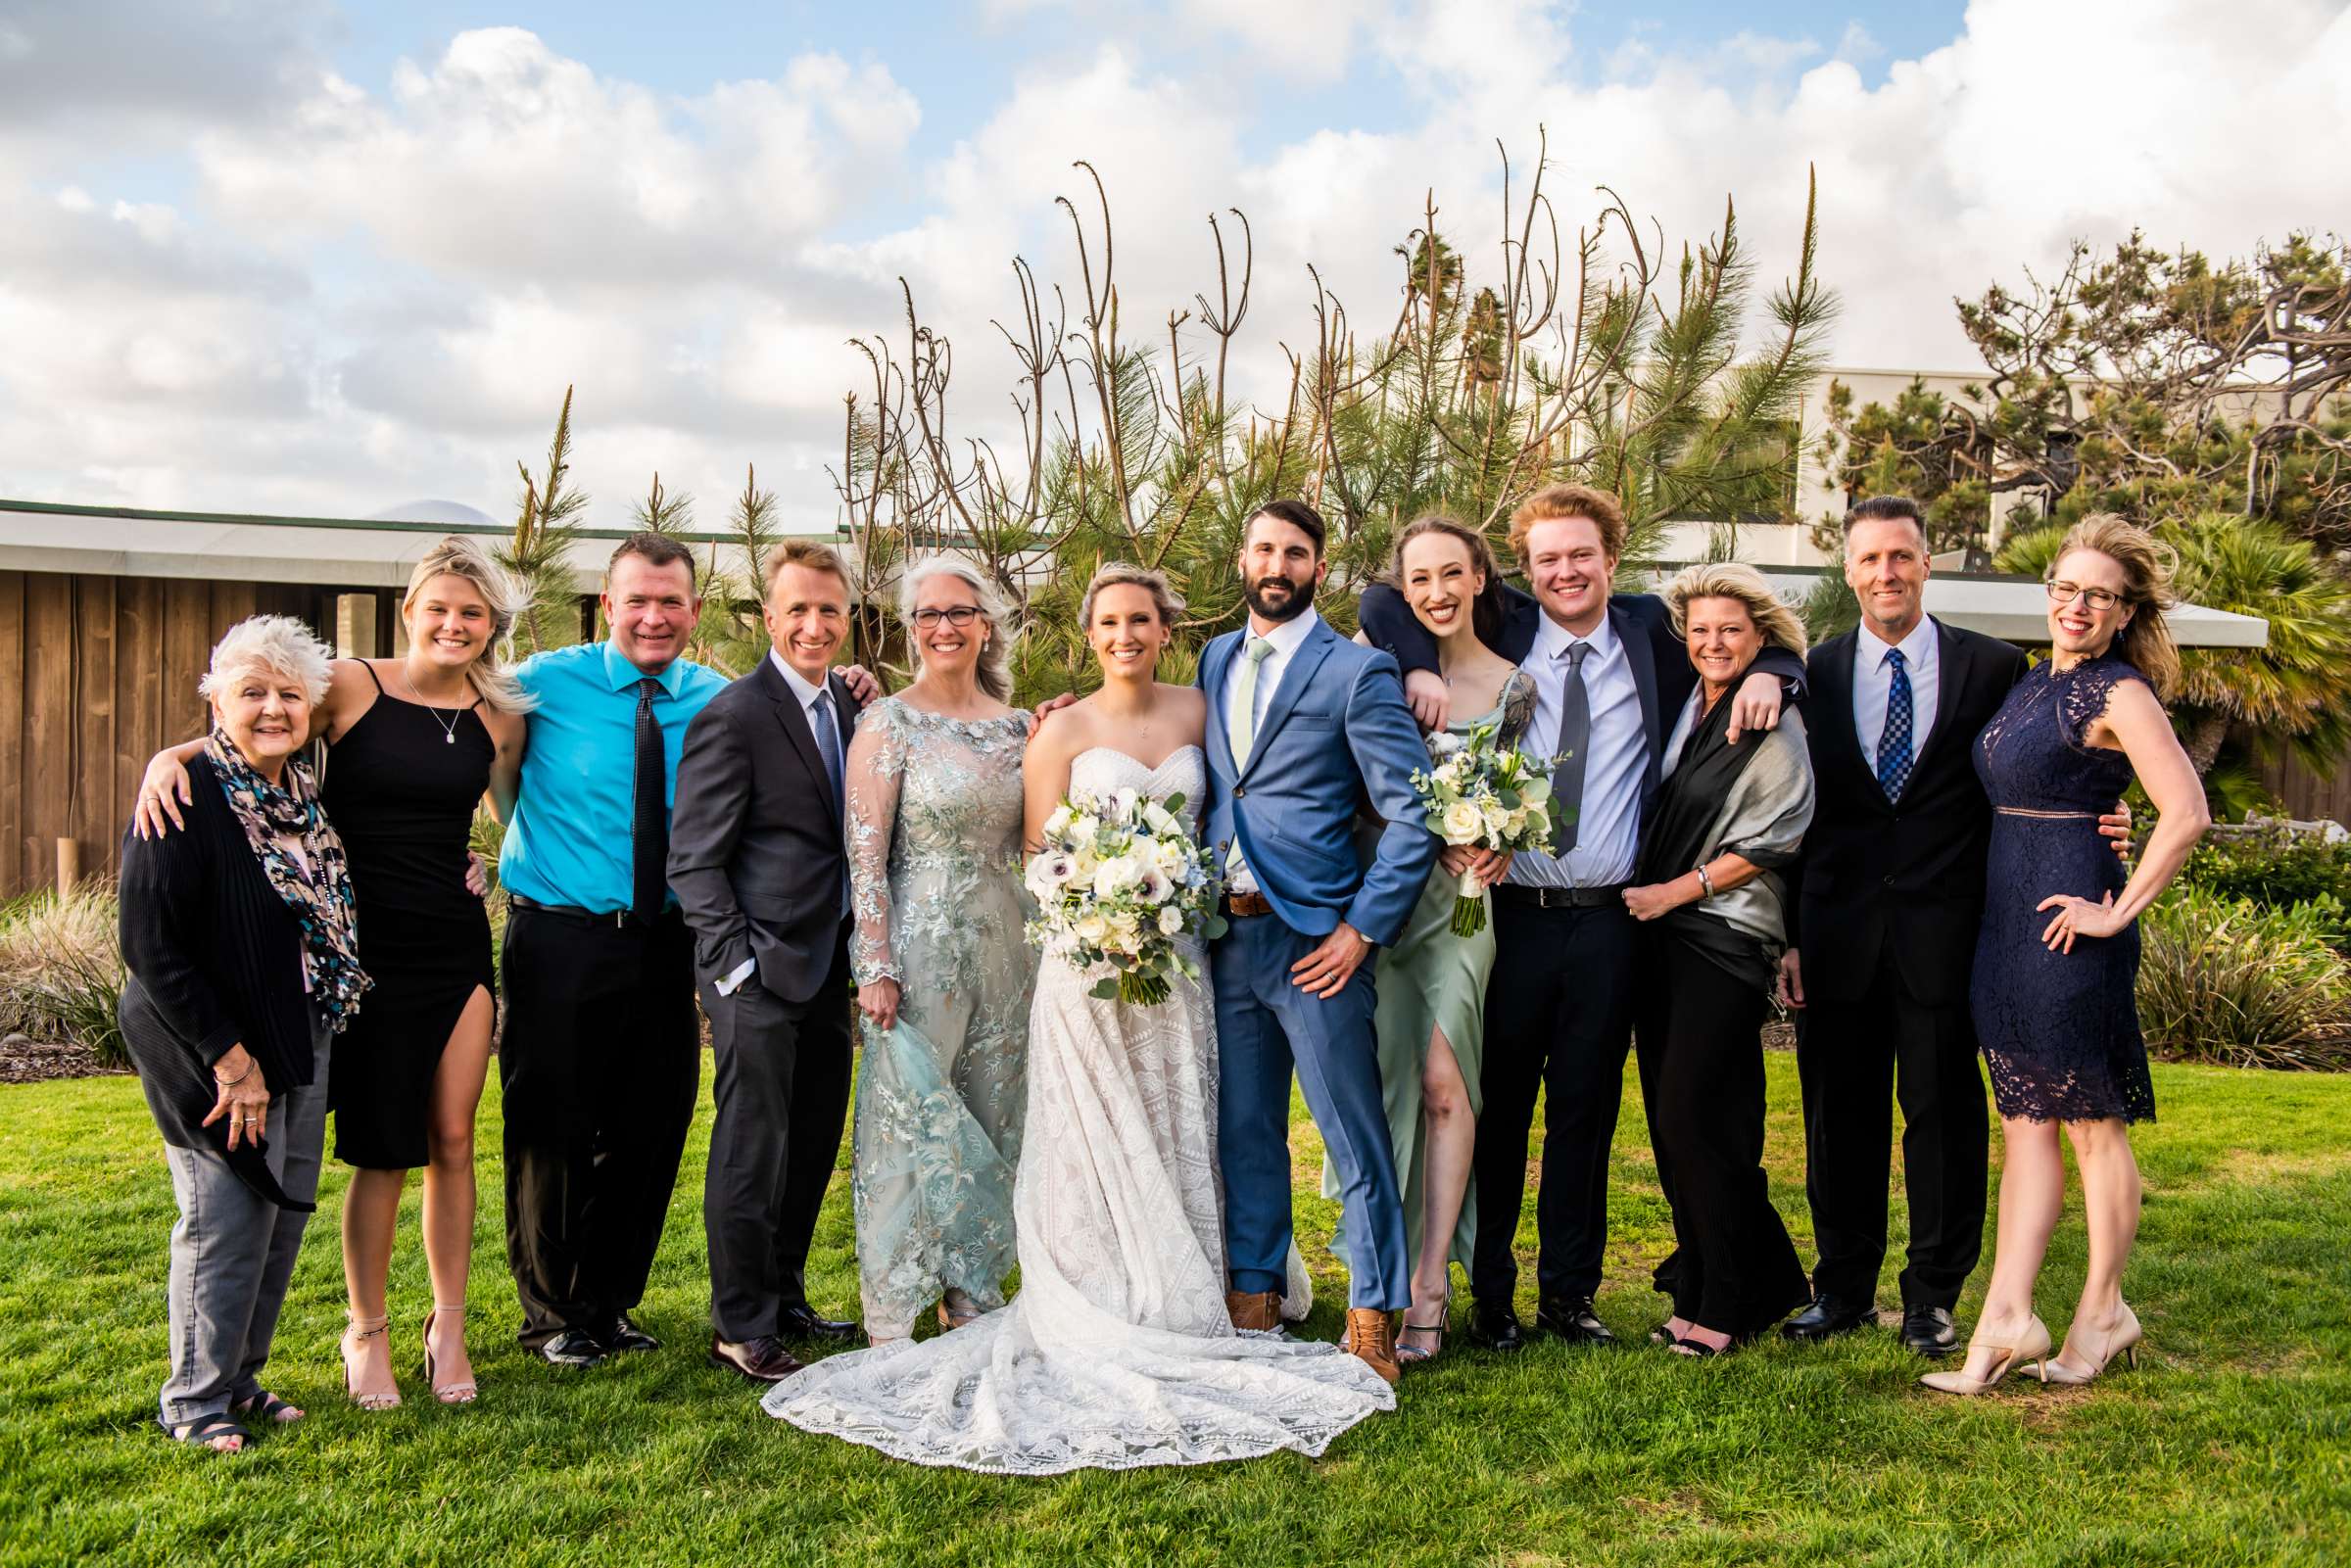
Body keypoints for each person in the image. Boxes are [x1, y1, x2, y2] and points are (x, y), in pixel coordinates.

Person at [765, 562, 1394, 1469]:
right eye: (1109, 621)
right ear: (1089, 632)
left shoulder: (1190, 711)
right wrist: (1099, 915)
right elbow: (1033, 848)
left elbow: (1265, 774)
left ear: (1165, 629)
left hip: (1174, 961)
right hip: (1077, 953)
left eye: (1141, 619)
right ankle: (967, 1301)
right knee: (1046, 1129)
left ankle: (1182, 1283)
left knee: (1180, 1118)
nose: (1125, 634)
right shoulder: (1039, 728)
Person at [1359, 483, 1805, 1352]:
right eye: (1548, 558)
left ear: (1611, 558)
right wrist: (1415, 660)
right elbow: (1385, 594)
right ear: (1519, 572)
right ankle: (1491, 1297)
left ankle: (1571, 1294)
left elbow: (1760, 639)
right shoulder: (1505, 632)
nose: (1567, 571)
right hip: (1509, 913)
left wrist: (1775, 674)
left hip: (1613, 921)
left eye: (1582, 555)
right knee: (1498, 1109)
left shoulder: (1657, 640)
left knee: (1586, 1114)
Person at [130, 538, 530, 1407]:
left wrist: (486, 864)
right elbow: (257, 730)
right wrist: (176, 757)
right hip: (362, 951)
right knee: (384, 1148)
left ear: (491, 623)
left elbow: (514, 818)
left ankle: (449, 1326)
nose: (454, 624)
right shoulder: (352, 683)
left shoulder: (501, 716)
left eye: (472, 612)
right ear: (411, 612)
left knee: (455, 1139)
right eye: (440, 608)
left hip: (456, 944)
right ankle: (366, 1330)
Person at [1778, 496, 2130, 1358]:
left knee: (1944, 1117)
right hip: (1835, 931)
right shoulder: (1807, 673)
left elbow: (2049, 766)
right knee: (1838, 1117)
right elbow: (1792, 812)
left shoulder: (1995, 668)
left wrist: (2108, 811)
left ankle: (1933, 1296)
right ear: (1849, 569)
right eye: (1869, 559)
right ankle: (1845, 1287)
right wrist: (1787, 937)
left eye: (1901, 556)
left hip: (1954, 929)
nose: (1886, 573)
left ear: (1927, 563)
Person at [1923, 515, 2208, 1395]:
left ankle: (2103, 1309)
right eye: (2066, 587)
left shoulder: (2120, 692)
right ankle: (2009, 1314)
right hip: (2006, 922)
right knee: (2025, 1121)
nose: (2077, 605)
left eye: (2099, 595)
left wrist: (2116, 911)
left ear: (2124, 613)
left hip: (2068, 926)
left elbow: (2187, 810)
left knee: (2090, 1122)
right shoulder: (2032, 681)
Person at [118, 616, 369, 1452]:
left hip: (300, 1026)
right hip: (210, 1042)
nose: (271, 708)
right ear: (215, 700)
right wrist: (230, 1060)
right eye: (250, 691)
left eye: (288, 694)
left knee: (282, 1212)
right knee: (224, 1212)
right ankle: (192, 1399)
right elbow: (149, 946)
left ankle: (240, 1378)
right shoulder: (183, 796)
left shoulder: (302, 791)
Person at [1202, 499, 1436, 1385]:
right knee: (1246, 1130)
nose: (1277, 563)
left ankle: (1375, 1313)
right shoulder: (1216, 655)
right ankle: (1253, 1295)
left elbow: (1413, 814)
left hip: (1317, 943)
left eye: (1294, 552)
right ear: (1242, 558)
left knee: (1352, 1132)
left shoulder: (1356, 671)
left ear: (1318, 568)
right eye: (1263, 547)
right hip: (1227, 937)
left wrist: (1360, 930)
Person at [495, 533, 730, 1370]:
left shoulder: (716, 698)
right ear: (607, 603)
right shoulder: (539, 684)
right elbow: (426, 697)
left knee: (651, 1124)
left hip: (668, 943)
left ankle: (609, 1302)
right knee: (549, 1127)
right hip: (559, 935)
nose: (653, 616)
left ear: (694, 612)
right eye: (637, 599)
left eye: (671, 601)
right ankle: (552, 1313)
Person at [1327, 516, 1532, 1364]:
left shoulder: (1515, 682)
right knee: (1390, 1085)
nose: (1439, 591)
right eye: (1421, 579)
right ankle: (1376, 1275)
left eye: (1455, 572)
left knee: (1448, 1081)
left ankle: (1433, 1286)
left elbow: (1526, 791)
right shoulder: (1370, 664)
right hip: (1385, 894)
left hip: (1464, 907)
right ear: (1402, 591)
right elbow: (1342, 776)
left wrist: (1502, 835)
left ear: (1482, 576)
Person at [669, 541, 864, 1382]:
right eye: (798, 609)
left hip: (829, 969)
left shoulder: (848, 710)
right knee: (752, 1148)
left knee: (812, 1139)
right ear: (769, 615)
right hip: (758, 970)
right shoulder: (737, 713)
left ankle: (785, 1293)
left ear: (847, 617)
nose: (813, 624)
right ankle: (739, 1321)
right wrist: (733, 964)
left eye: (829, 610)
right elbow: (694, 859)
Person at [1620, 564, 1814, 1354]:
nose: (1713, 642)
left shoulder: (1772, 717)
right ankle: (1709, 1278)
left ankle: (1733, 1297)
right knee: (1676, 1126)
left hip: (1723, 933)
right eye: (1700, 629)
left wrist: (1675, 891)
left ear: (1760, 636)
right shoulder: (1690, 701)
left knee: (1697, 1117)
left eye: (1731, 629)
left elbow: (1777, 836)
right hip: (1662, 937)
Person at [841, 556, 1034, 1345]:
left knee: (992, 1113)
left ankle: (972, 1286)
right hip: (920, 946)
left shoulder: (1021, 727)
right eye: (927, 614)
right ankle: (892, 1304)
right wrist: (875, 963)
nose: (943, 627)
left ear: (986, 623)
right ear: (911, 627)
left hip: (1008, 942)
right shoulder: (890, 723)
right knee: (907, 1118)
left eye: (959, 612)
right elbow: (865, 853)